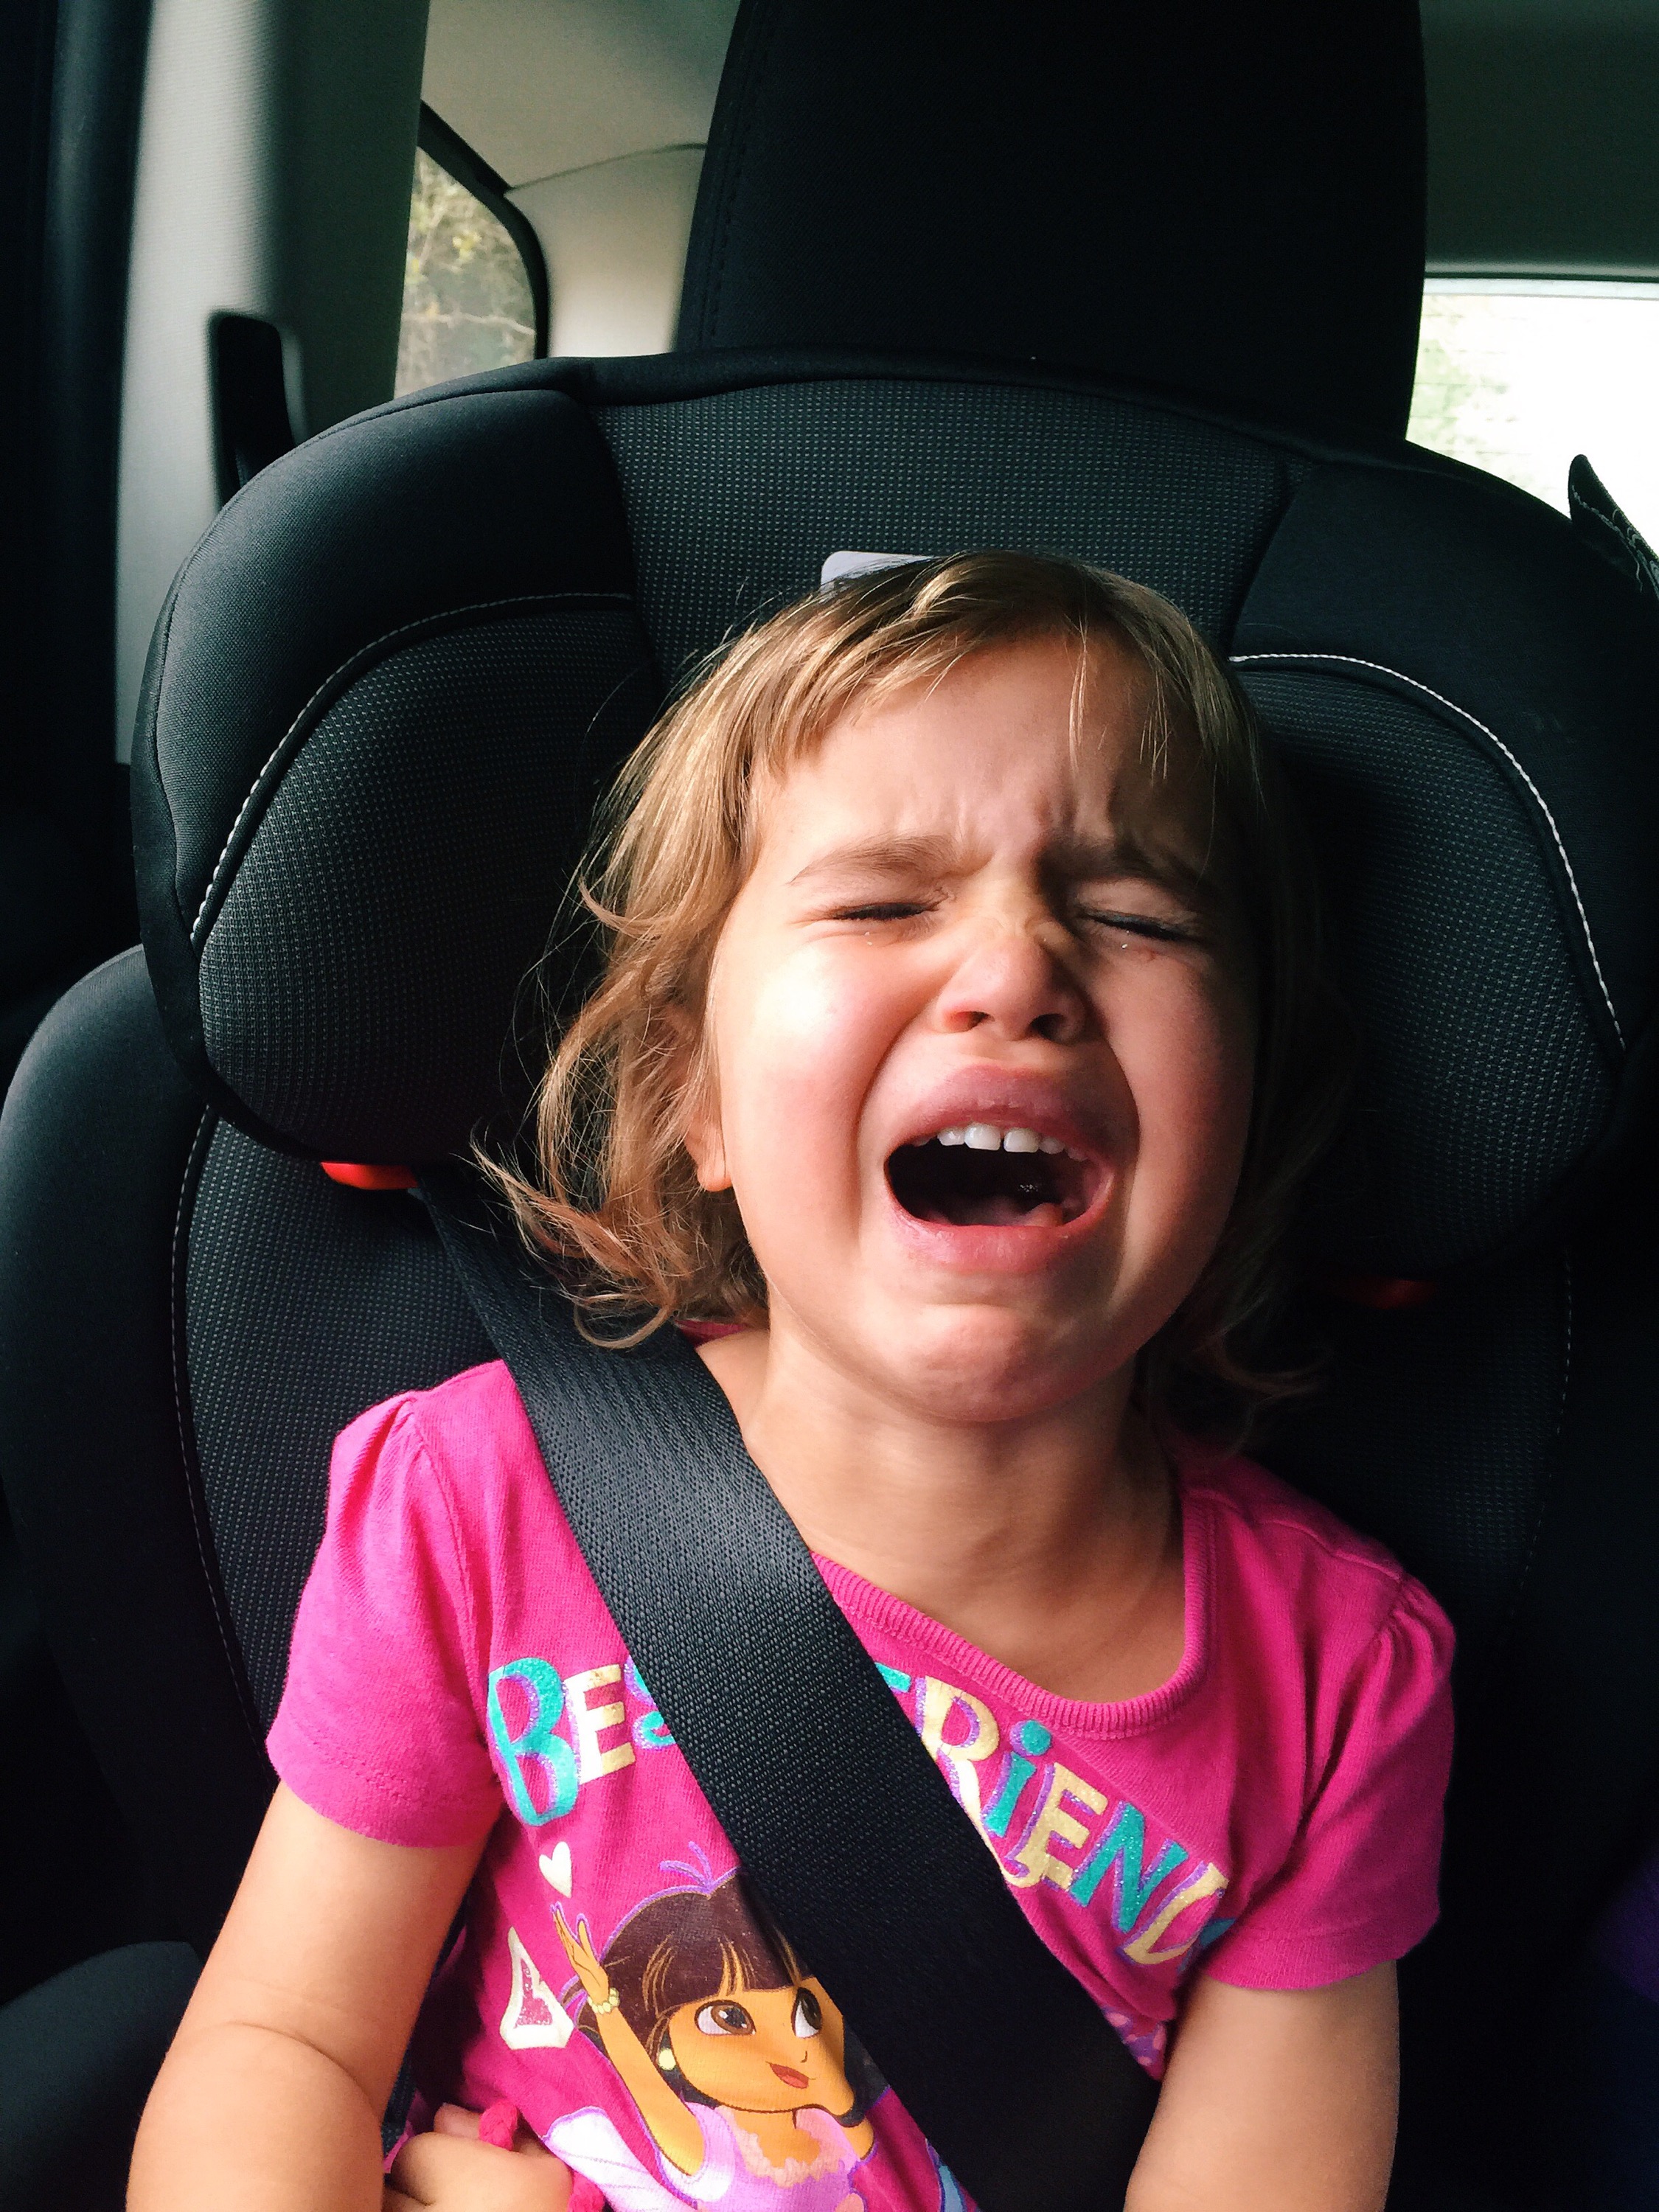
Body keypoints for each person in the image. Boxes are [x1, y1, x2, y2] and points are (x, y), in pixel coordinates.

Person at [129, 551, 1454, 2212]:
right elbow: (282, 2049)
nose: (1017, 972)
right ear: (696, 1096)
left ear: (1245, 1115)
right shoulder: (478, 1503)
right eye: (884, 904)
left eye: (1135, 917)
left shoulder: (1336, 1685)